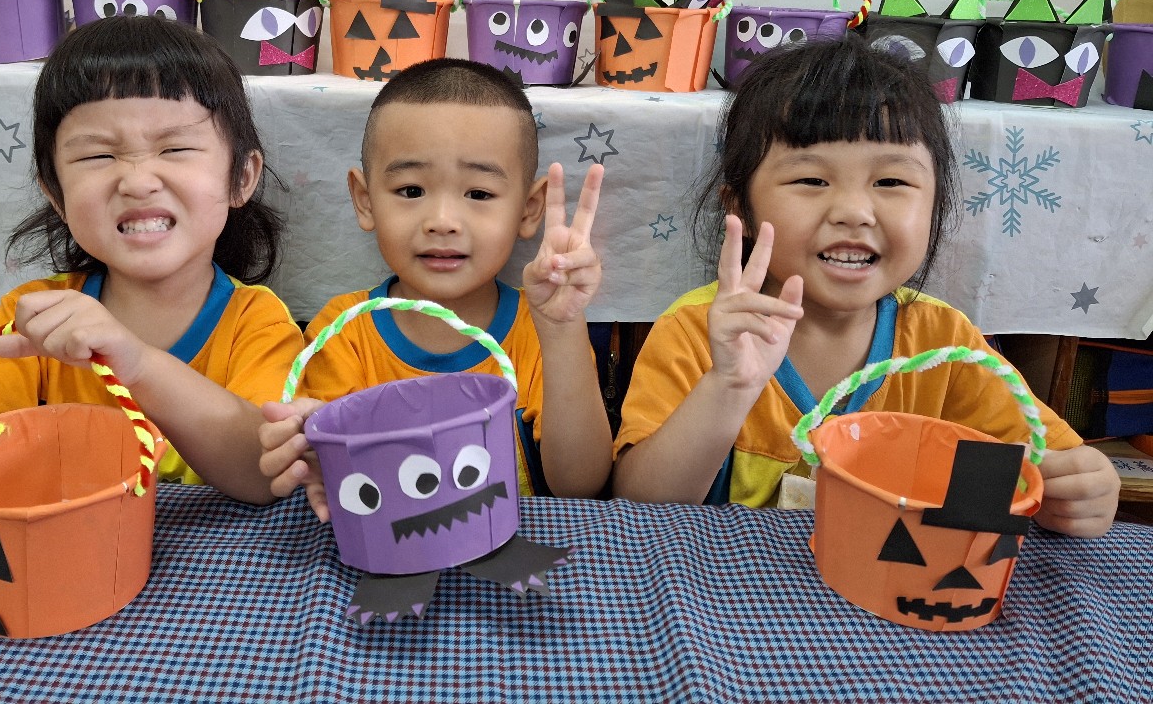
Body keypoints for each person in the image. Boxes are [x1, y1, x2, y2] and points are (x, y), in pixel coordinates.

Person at [612, 37, 1120, 537]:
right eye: (811, 181)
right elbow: (639, 506)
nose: (854, 212)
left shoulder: (945, 344)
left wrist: (1081, 488)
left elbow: (1050, 464)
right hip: (726, 587)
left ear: (935, 206)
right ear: (740, 208)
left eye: (891, 182)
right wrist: (728, 386)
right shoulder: (698, 331)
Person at [0, 14, 319, 504]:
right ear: (56, 194)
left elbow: (265, 475)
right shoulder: (32, 319)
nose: (137, 181)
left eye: (175, 148)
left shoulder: (258, 323)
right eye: (97, 156)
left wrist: (139, 364)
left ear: (241, 178)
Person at [259, 58, 612, 511]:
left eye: (479, 194)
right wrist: (314, 451)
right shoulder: (344, 331)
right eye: (411, 191)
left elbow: (581, 486)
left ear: (528, 210)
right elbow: (332, 476)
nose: (442, 221)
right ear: (365, 201)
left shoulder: (541, 328)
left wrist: (561, 331)